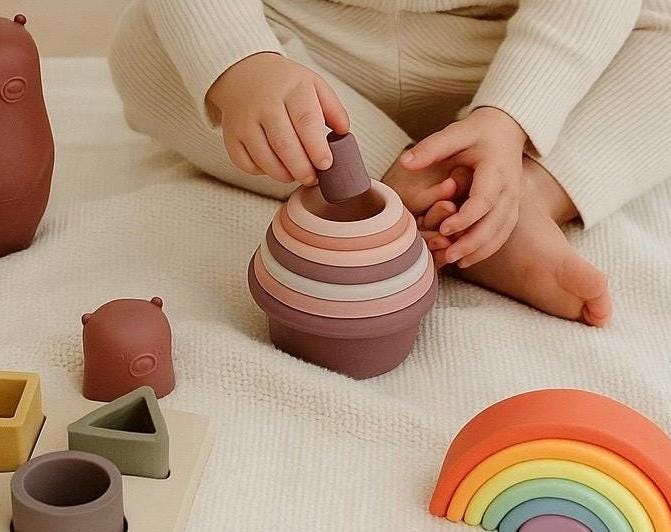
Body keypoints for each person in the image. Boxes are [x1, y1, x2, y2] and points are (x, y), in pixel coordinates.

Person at [109, 0, 671, 326]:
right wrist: (242, 63)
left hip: (496, 44)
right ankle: (413, 192)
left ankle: (521, 190)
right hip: (305, 44)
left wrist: (512, 114)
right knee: (152, 48)